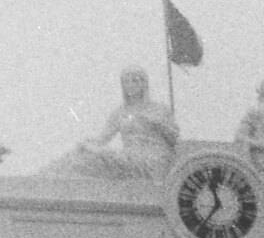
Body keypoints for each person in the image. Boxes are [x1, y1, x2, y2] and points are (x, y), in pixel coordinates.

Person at [44, 67, 179, 180]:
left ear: (144, 84)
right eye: (126, 82)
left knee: (100, 157)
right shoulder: (119, 112)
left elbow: (174, 138)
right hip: (130, 157)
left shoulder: (159, 109)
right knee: (86, 154)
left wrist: (157, 123)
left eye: (135, 81)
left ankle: (56, 177)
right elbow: (102, 139)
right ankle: (51, 175)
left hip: (152, 160)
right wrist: (87, 144)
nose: (130, 85)